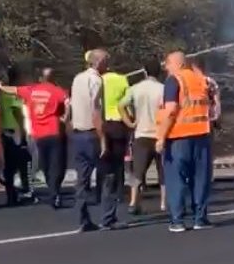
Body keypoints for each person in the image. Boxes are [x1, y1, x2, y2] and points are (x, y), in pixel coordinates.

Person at [156, 51, 213, 233]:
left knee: (176, 180)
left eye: (167, 63)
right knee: (200, 179)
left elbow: (171, 110)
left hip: (178, 138)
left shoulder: (175, 80)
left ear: (177, 64)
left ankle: (177, 220)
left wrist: (160, 137)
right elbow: (212, 108)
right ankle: (200, 218)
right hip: (202, 136)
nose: (166, 67)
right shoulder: (201, 80)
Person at [0, 67, 69, 208]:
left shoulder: (30, 90)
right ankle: (53, 193)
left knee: (44, 165)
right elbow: (68, 102)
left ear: (40, 78)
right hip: (52, 132)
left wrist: (0, 86)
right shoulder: (57, 91)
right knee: (55, 164)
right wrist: (65, 118)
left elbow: (14, 90)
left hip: (38, 134)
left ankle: (50, 191)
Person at [70, 48, 124, 231]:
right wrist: (102, 139)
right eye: (106, 61)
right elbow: (96, 111)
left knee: (82, 179)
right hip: (92, 133)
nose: (107, 65)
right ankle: (108, 218)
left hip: (78, 133)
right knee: (109, 174)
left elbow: (71, 105)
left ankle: (83, 218)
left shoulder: (77, 78)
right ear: (99, 62)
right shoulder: (96, 80)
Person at [118, 59, 166, 215]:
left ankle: (134, 201)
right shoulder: (163, 89)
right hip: (159, 134)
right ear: (159, 72)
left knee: (138, 172)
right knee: (163, 172)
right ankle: (164, 204)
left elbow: (121, 105)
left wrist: (129, 122)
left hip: (141, 134)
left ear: (145, 72)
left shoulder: (135, 88)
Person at [0, 66, 31, 206]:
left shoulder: (0, 94)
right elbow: (19, 115)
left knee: (9, 168)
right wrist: (23, 136)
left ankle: (11, 195)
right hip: (13, 132)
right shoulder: (12, 95)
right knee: (22, 163)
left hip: (2, 132)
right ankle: (25, 190)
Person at [100, 67, 130, 215]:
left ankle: (102, 190)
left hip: (104, 121)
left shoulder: (99, 80)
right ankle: (118, 191)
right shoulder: (122, 79)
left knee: (104, 159)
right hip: (118, 122)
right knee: (119, 161)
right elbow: (127, 101)